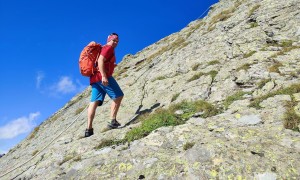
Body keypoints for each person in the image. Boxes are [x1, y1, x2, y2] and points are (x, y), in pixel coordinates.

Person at [85, 33, 124, 137]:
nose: (115, 42)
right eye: (114, 40)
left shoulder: (103, 48)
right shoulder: (108, 48)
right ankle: (112, 120)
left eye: (117, 41)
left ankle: (89, 129)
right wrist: (104, 76)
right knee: (118, 96)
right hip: (101, 77)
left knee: (94, 102)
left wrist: (111, 65)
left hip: (94, 78)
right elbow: (100, 61)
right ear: (109, 40)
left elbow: (101, 61)